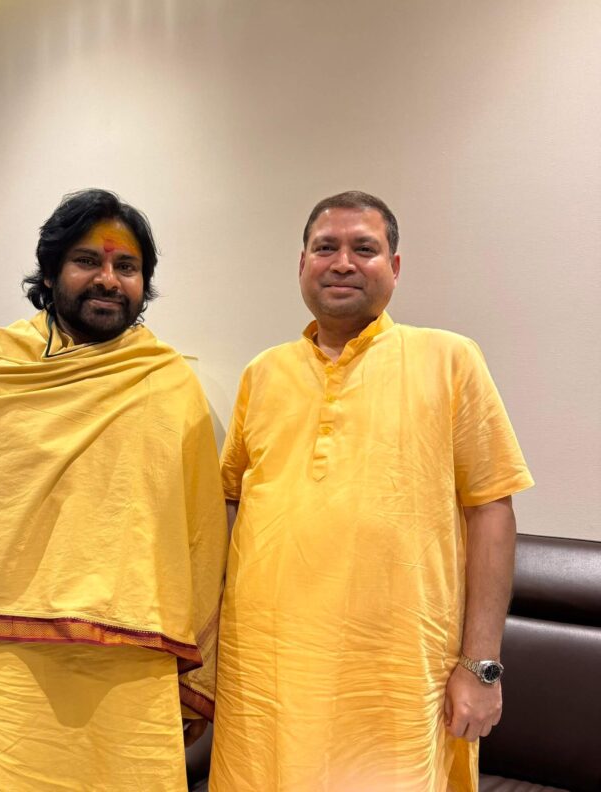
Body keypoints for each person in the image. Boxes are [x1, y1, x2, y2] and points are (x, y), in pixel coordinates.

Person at [0, 189, 227, 792]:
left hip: (137, 684)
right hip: (12, 676)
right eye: (88, 261)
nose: (109, 279)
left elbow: (201, 546)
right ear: (52, 269)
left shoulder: (169, 385)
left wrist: (195, 685)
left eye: (127, 266)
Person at [209, 191, 534, 791]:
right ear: (301, 263)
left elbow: (491, 508)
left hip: (397, 678)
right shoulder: (262, 373)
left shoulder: (450, 359)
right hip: (265, 677)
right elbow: (230, 509)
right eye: (324, 247)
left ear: (396, 267)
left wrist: (480, 667)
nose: (342, 262)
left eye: (365, 248)